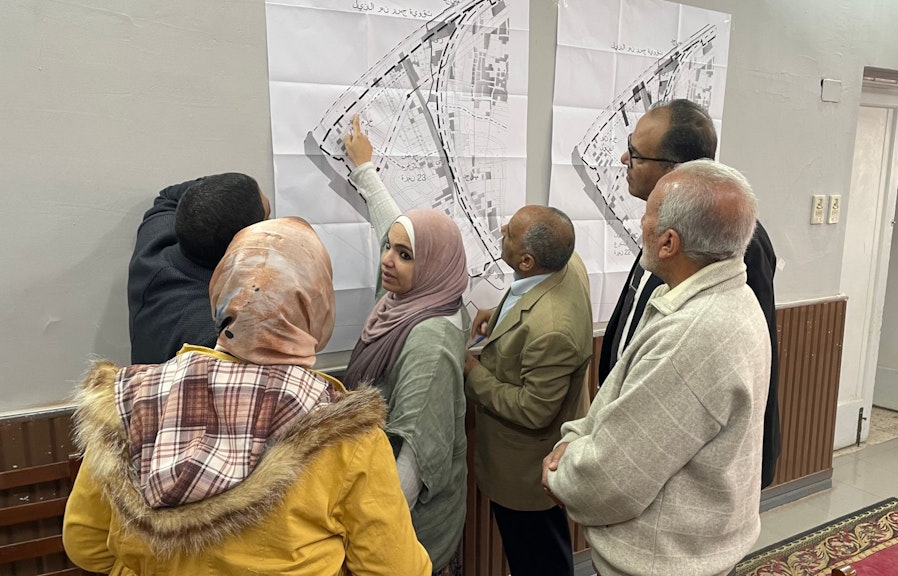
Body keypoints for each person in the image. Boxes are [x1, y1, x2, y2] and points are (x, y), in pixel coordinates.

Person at [65, 218, 431, 576]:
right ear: (318, 307)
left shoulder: (125, 402)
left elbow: (85, 544)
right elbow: (396, 567)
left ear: (220, 293)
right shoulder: (347, 434)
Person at [543, 160, 771, 576]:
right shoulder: (733, 296)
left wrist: (561, 471)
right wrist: (576, 439)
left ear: (668, 242)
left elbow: (611, 481)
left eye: (648, 213)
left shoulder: (693, 335)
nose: (640, 221)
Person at [598, 99, 782, 489]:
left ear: (673, 172)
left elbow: (741, 354)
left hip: (683, 460)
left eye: (635, 154)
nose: (622, 159)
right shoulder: (665, 223)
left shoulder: (734, 241)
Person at [342, 115, 469, 576]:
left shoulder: (428, 342)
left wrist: (363, 536)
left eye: (404, 255)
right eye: (389, 250)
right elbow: (394, 228)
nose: (387, 262)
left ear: (433, 264)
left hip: (408, 540)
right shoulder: (415, 299)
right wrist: (365, 169)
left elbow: (411, 463)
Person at [463, 205, 592, 576]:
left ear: (527, 260)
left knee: (537, 558)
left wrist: (473, 372)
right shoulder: (565, 262)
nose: (502, 229)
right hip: (530, 459)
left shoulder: (551, 328)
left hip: (526, 470)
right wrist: (500, 313)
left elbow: (533, 410)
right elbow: (528, 296)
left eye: (509, 234)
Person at [128, 172, 271, 365]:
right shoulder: (219, 338)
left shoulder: (152, 249)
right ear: (242, 247)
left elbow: (170, 195)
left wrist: (225, 192)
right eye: (267, 218)